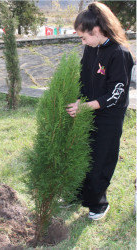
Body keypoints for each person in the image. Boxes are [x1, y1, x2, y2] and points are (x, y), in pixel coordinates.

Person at [66, 2, 134, 221]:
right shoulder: (91, 48)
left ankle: (98, 203)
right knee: (83, 154)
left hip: (108, 117)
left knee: (100, 159)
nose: (82, 42)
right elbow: (83, 76)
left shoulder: (119, 53)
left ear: (96, 31)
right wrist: (78, 99)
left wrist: (85, 106)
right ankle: (79, 194)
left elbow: (117, 93)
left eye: (83, 37)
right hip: (88, 110)